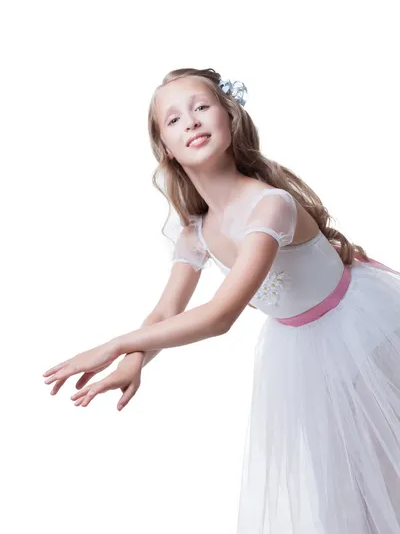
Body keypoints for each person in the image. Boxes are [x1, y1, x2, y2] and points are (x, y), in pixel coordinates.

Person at [43, 67, 400, 533]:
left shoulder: (271, 204)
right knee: (347, 486)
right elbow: (165, 312)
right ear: (165, 150)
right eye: (172, 120)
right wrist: (135, 360)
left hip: (362, 334)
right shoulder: (195, 232)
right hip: (303, 354)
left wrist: (113, 344)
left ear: (229, 120)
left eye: (200, 107)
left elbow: (220, 316)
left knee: (385, 463)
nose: (189, 121)